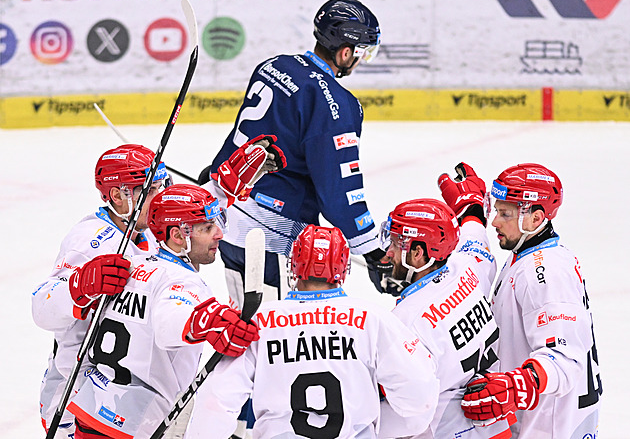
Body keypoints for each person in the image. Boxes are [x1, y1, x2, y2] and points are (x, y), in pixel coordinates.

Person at [198, 0, 393, 310]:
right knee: (267, 343)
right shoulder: (336, 104)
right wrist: (371, 249)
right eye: (361, 52)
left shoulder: (275, 66)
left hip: (228, 223)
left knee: (239, 329)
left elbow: (248, 132)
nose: (359, 60)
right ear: (346, 52)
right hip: (271, 238)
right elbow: (339, 188)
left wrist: (218, 170)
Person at [185, 224, 440, 439]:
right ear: (342, 268)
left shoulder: (260, 322)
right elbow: (420, 400)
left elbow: (215, 403)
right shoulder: (373, 319)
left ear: (294, 264)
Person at [65, 184, 260, 439]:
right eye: (207, 228)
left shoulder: (133, 264)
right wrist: (208, 321)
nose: (219, 234)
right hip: (131, 423)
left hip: (91, 408)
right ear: (178, 236)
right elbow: (168, 322)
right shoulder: (183, 280)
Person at [32, 144, 167, 439]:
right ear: (119, 196)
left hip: (118, 396)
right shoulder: (91, 240)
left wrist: (221, 189)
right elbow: (41, 307)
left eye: (163, 186)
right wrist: (80, 285)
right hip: (75, 397)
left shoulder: (146, 231)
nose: (161, 199)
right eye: (152, 190)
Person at [461, 163, 602, 438]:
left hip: (549, 429)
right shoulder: (528, 254)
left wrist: (516, 386)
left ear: (536, 218)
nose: (495, 222)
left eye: (505, 214)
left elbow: (564, 359)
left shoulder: (545, 271)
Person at [377, 163, 511, 438]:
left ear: (418, 254)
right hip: (495, 426)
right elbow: (474, 235)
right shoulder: (468, 266)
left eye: (395, 243)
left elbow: (407, 407)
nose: (388, 253)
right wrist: (471, 208)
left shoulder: (407, 322)